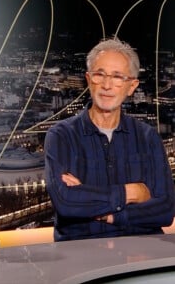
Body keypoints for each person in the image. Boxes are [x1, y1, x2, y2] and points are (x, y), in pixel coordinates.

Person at [44, 37, 175, 242]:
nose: (107, 85)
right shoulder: (61, 135)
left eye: (117, 77)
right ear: (88, 79)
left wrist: (109, 213)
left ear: (131, 86)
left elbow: (165, 210)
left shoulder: (148, 137)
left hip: (140, 254)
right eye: (99, 75)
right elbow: (65, 201)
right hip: (82, 256)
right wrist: (131, 192)